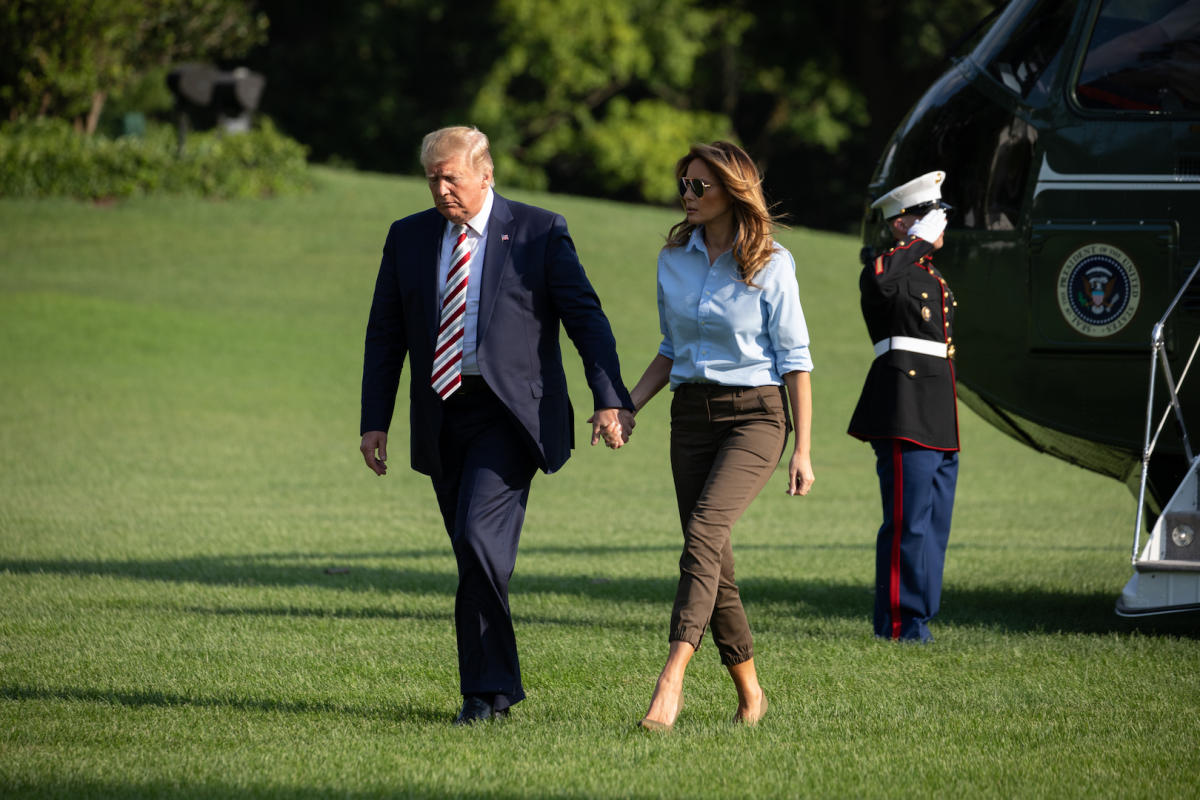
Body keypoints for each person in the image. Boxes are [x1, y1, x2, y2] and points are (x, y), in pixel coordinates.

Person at [359, 126, 635, 725]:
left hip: (510, 416)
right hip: (441, 413)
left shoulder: (539, 231)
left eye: (451, 176)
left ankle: (482, 695)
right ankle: (493, 693)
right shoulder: (408, 237)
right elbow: (385, 332)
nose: (441, 188)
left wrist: (609, 396)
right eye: (432, 177)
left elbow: (586, 319)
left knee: (481, 543)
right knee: (472, 553)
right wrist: (373, 420)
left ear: (486, 174)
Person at [624, 141, 814, 731]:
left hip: (757, 417)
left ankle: (671, 678)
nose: (688, 194)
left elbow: (795, 361)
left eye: (700, 185)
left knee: (703, 533)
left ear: (733, 190)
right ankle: (752, 693)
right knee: (716, 560)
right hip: (690, 418)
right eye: (684, 183)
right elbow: (669, 349)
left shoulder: (772, 263)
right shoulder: (672, 259)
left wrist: (803, 449)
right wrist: (626, 406)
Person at [847, 170, 959, 644]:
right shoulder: (884, 267)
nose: (938, 225)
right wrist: (914, 242)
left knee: (934, 524)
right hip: (903, 407)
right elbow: (881, 280)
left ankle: (920, 619)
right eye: (926, 216)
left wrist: (918, 246)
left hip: (935, 410)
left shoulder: (929, 274)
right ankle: (898, 623)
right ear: (901, 225)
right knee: (907, 522)